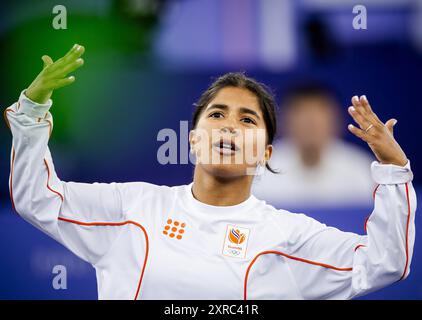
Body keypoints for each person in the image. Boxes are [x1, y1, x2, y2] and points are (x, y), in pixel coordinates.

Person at [3, 44, 416, 300]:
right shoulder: (132, 207)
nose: (230, 126)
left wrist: (395, 169)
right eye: (217, 114)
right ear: (193, 140)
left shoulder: (292, 237)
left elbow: (384, 263)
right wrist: (32, 111)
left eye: (248, 120)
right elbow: (38, 198)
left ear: (266, 152)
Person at [252, 83, 375, 208]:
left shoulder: (361, 170)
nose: (311, 122)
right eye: (301, 113)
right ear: (284, 121)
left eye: (319, 112)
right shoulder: (260, 171)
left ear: (337, 120)